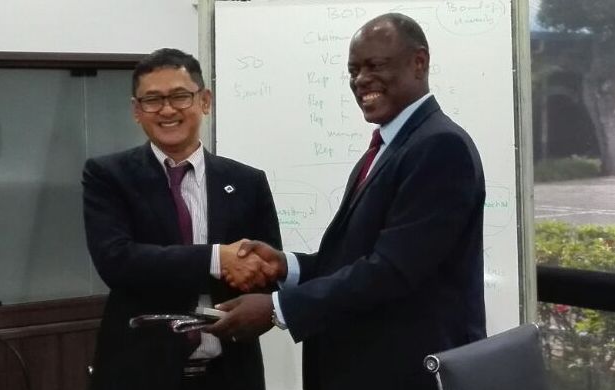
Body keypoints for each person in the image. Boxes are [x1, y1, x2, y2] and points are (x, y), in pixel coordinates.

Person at [207, 13, 486, 390]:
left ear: (418, 62)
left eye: (375, 66)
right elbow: (355, 259)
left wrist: (277, 308)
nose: (360, 81)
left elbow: (392, 270)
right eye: (353, 71)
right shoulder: (387, 149)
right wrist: (284, 268)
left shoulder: (439, 146)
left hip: (406, 372)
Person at [82, 48, 281, 390]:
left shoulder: (248, 181)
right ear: (136, 111)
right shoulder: (108, 176)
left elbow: (268, 268)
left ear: (204, 100)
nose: (167, 110)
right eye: (152, 100)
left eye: (180, 96)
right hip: (140, 373)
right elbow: (117, 261)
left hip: (231, 373)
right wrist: (218, 259)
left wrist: (256, 279)